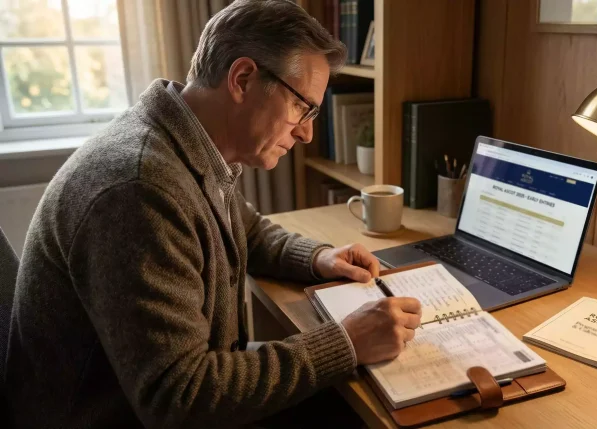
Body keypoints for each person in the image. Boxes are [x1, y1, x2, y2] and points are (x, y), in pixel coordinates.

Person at [4, 1, 421, 427]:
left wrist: (318, 258)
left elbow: (246, 230)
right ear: (242, 78)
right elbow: (179, 397)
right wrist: (344, 342)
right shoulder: (141, 190)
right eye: (302, 107)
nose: (307, 131)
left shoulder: (186, 143)